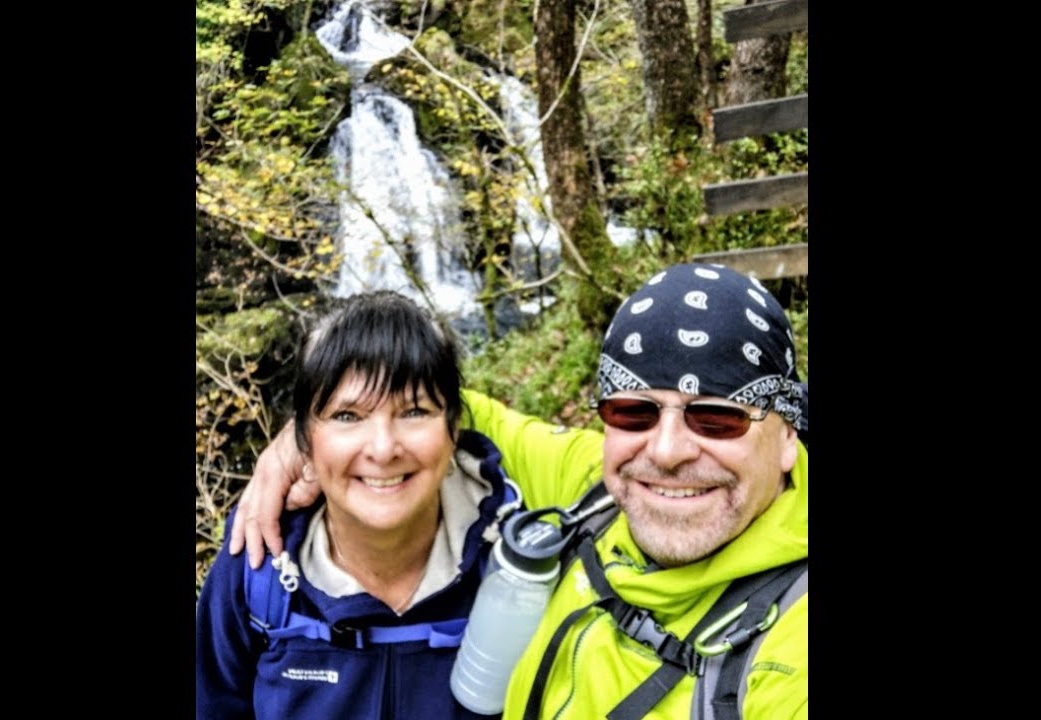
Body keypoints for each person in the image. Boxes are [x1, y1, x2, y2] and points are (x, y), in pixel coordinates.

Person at [232, 264, 809, 719]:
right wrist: (303, 439)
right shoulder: (603, 484)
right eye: (633, 410)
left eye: (717, 418)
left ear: (787, 436)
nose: (667, 451)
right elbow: (437, 408)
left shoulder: (791, 654)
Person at [197, 291, 531, 719]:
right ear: (301, 443)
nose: (383, 448)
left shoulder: (516, 571)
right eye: (347, 416)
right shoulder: (257, 569)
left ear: (453, 430)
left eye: (413, 411)